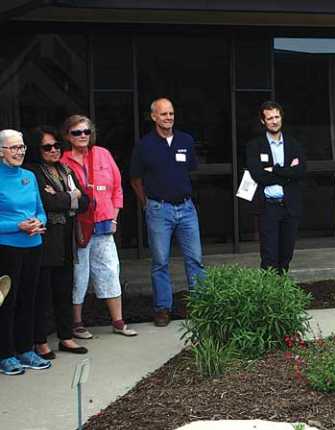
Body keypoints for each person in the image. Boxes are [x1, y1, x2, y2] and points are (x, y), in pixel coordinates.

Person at [130, 98, 205, 327]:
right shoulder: (144, 145)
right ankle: (163, 308)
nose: (169, 118)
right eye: (164, 114)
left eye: (171, 113)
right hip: (158, 209)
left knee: (195, 259)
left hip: (186, 208)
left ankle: (202, 306)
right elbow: (135, 178)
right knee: (160, 261)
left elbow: (191, 170)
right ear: (153, 116)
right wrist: (147, 204)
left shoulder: (186, 140)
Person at [60, 115, 137, 338]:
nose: (82, 136)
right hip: (78, 225)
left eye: (86, 132)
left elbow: (117, 188)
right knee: (79, 273)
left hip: (104, 222)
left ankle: (118, 322)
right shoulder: (63, 161)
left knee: (110, 269)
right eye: (76, 132)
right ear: (68, 136)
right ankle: (76, 323)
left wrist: (114, 217)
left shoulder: (102, 153)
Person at [25, 126, 90, 359]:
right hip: (44, 239)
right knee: (42, 293)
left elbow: (86, 201)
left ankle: (66, 337)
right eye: (47, 147)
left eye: (56, 146)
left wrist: (64, 197)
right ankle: (40, 341)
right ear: (37, 149)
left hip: (66, 238)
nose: (53, 150)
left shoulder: (65, 169)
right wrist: (71, 197)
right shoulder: (32, 172)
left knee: (64, 290)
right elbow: (46, 202)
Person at [0, 129, 52, 375]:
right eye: (13, 148)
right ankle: (5, 354)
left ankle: (25, 348)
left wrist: (38, 223)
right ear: (1, 151)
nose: (19, 152)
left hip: (33, 245)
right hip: (6, 248)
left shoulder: (30, 177)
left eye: (21, 147)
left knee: (28, 300)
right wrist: (16, 226)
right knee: (6, 302)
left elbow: (40, 209)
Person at [246, 101, 306, 273]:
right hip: (268, 208)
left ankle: (282, 296)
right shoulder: (254, 146)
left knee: (286, 256)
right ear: (263, 121)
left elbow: (301, 171)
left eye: (277, 116)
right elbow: (258, 175)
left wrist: (276, 170)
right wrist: (288, 173)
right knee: (269, 257)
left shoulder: (294, 144)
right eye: (270, 118)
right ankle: (269, 297)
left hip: (290, 207)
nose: (274, 121)